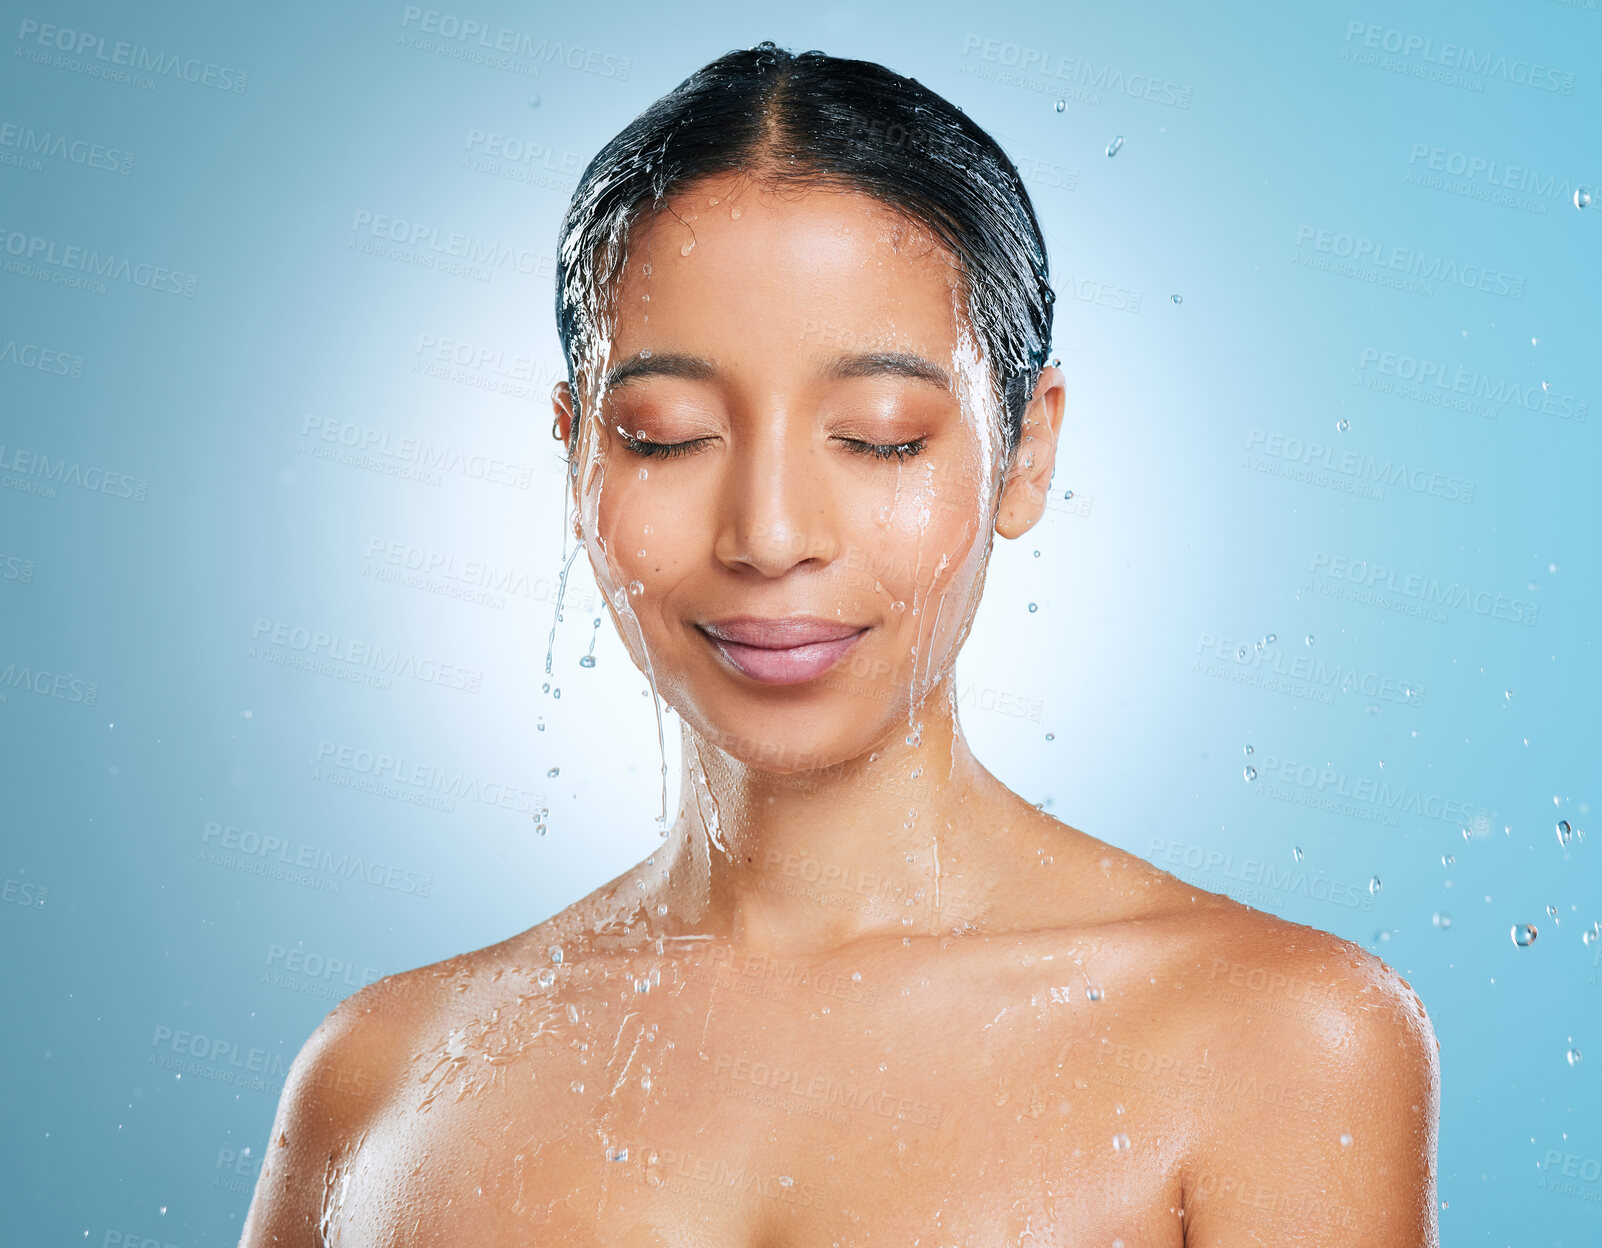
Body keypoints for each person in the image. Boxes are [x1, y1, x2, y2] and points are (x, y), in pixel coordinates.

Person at [240, 43, 1439, 1247]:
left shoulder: (1273, 1040)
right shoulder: (382, 1078)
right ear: (576, 455)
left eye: (878, 436)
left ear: (1027, 451)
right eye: (665, 435)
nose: (770, 536)